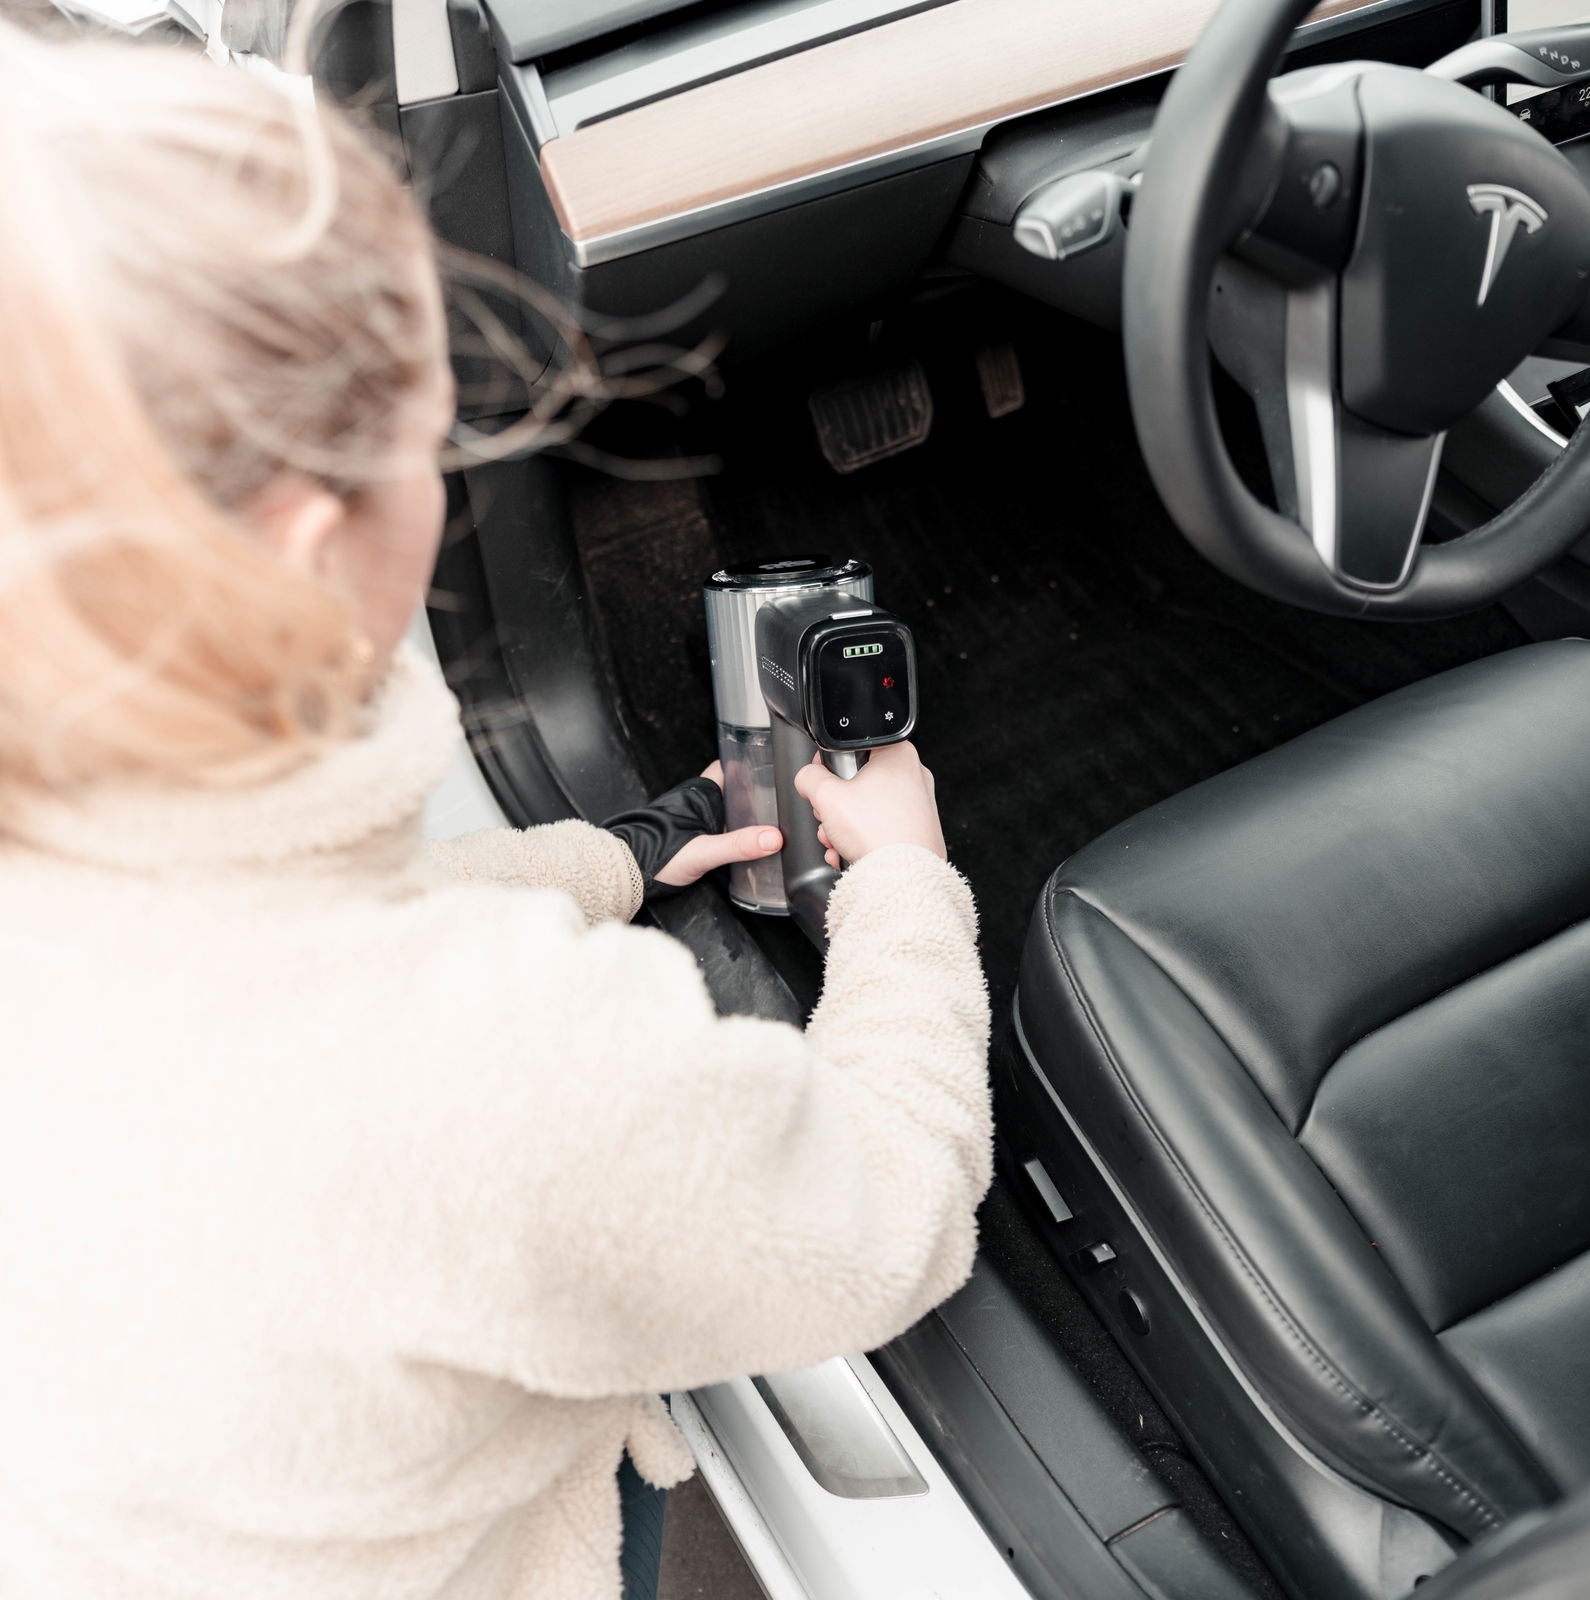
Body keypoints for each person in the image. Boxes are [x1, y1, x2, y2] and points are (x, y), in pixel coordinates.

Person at [0, 17, 991, 1600]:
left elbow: (276, 959)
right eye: (429, 445)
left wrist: (620, 854)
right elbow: (878, 1225)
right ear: (320, 551)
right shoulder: (501, 1075)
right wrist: (907, 896)